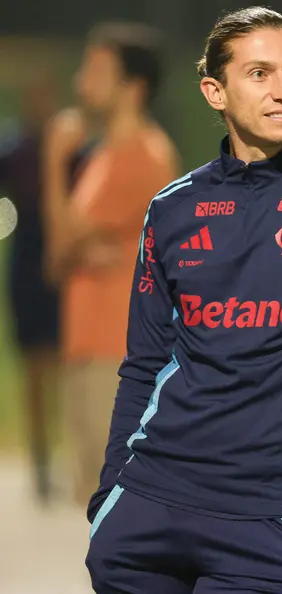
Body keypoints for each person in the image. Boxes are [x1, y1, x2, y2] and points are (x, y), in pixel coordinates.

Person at [84, 7, 282, 593]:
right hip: (149, 507)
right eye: (260, 74)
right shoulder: (171, 208)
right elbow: (144, 363)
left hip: (268, 523)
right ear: (214, 92)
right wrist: (110, 495)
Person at [42, 22, 179, 509]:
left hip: (116, 351)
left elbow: (62, 240)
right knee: (96, 498)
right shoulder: (102, 156)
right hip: (87, 343)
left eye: (98, 68)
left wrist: (54, 161)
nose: (84, 78)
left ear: (133, 86)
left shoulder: (143, 156)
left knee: (118, 503)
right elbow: (59, 257)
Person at [0, 72, 85, 504]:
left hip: (64, 257)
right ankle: (39, 458)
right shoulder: (13, 150)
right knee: (33, 362)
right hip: (27, 255)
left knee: (66, 360)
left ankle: (70, 455)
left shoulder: (74, 151)